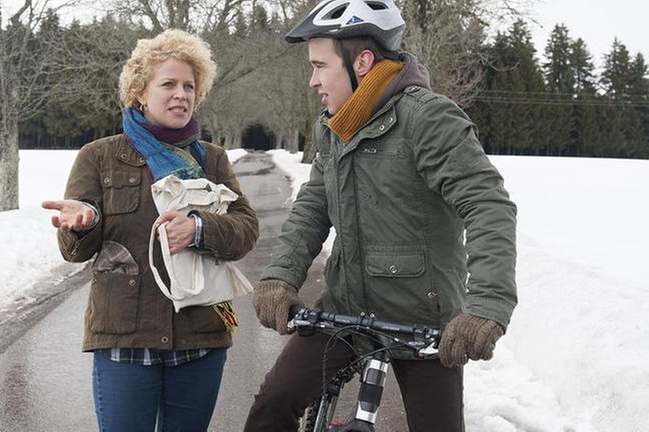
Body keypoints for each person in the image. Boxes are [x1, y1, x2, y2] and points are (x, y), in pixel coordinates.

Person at [244, 0, 517, 430]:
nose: (312, 80)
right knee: (271, 406)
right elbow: (314, 206)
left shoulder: (427, 119)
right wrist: (281, 276)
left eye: (320, 66)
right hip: (345, 311)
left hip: (424, 323)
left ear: (363, 62)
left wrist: (487, 305)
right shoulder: (334, 125)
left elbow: (487, 204)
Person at [41, 29, 258, 432]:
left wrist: (198, 228)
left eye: (190, 86)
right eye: (169, 84)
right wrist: (82, 224)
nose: (182, 94)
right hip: (124, 339)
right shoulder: (100, 156)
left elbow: (245, 229)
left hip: (200, 336)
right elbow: (74, 252)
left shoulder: (212, 160)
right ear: (140, 92)